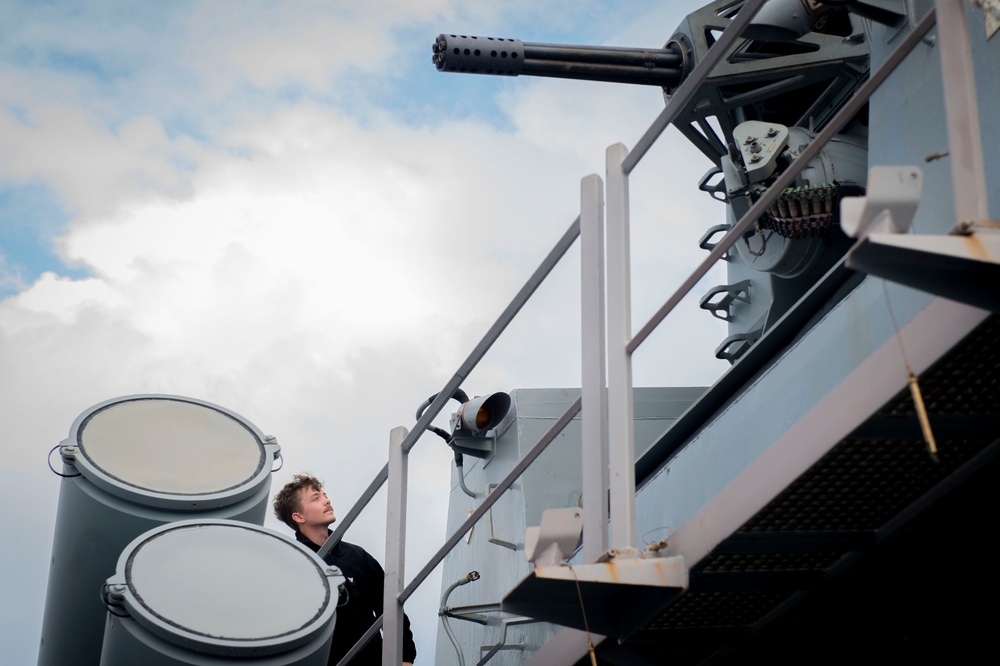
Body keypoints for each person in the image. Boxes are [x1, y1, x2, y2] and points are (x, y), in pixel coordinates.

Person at [274, 474, 416, 666]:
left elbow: (391, 607)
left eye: (325, 494)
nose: (327, 500)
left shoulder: (358, 556)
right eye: (316, 498)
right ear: (298, 516)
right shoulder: (294, 566)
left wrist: (404, 658)